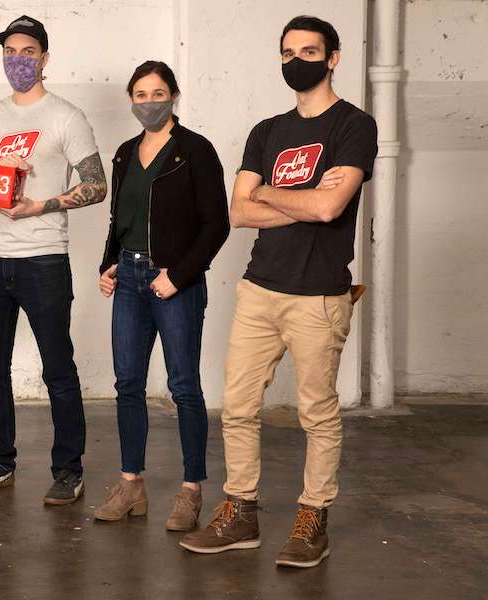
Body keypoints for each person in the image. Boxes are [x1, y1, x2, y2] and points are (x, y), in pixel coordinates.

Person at [179, 15, 377, 569]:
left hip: (318, 295)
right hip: (259, 290)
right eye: (288, 53)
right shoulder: (267, 131)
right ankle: (240, 512)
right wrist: (299, 195)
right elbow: (239, 212)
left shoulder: (354, 127)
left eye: (309, 51)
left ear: (333, 57)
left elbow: (330, 208)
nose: (297, 61)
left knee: (317, 412)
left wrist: (273, 190)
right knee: (238, 408)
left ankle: (313, 519)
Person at [0, 15, 107, 506]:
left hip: (43, 260)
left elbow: (97, 185)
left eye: (27, 52)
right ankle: (0, 461)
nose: (17, 60)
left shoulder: (66, 116)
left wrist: (42, 204)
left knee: (57, 369)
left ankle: (68, 469)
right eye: (9, 52)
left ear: (44, 58)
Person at [91, 61, 229, 531]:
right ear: (131, 100)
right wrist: (108, 265)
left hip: (174, 281)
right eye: (141, 94)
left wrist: (181, 275)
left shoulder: (195, 151)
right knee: (127, 383)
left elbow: (217, 224)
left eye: (158, 93)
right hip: (128, 277)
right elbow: (120, 219)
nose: (149, 102)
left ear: (174, 95)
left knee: (184, 387)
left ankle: (191, 491)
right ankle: (131, 485)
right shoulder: (125, 152)